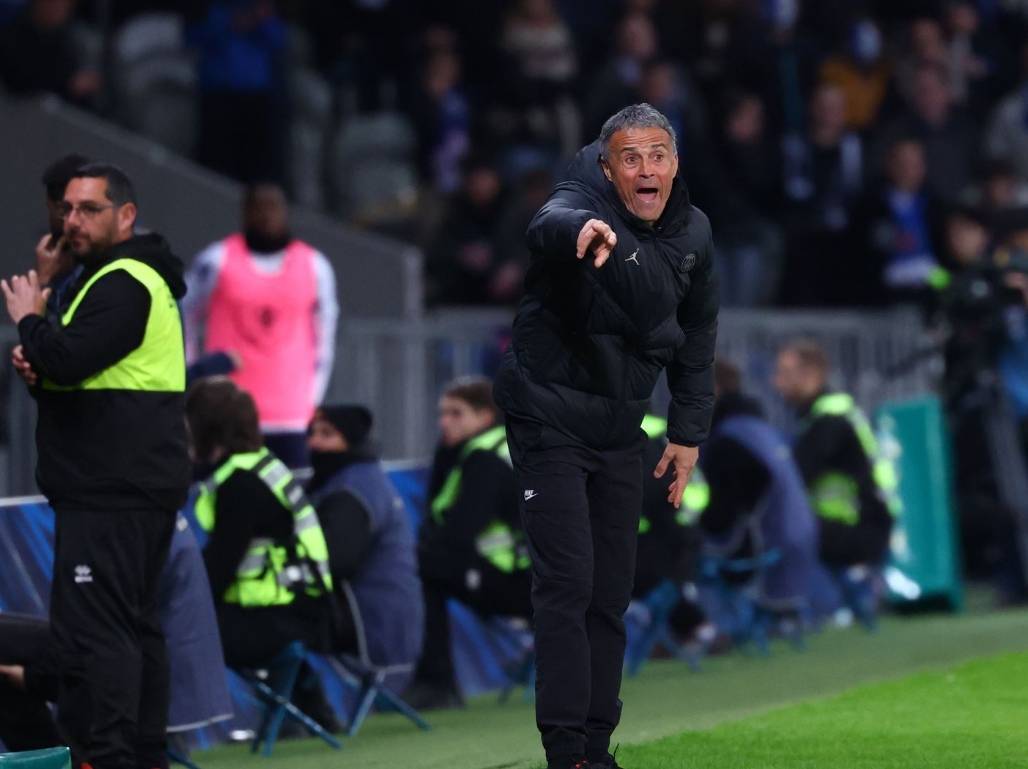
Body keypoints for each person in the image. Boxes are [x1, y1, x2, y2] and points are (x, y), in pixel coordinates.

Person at [494, 103, 719, 769]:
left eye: (657, 156)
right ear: (606, 166)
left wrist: (687, 433)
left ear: (675, 164)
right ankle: (566, 751)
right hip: (549, 419)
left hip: (622, 429)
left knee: (610, 593)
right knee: (567, 584)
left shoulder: (695, 233)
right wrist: (582, 228)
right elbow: (548, 220)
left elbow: (698, 335)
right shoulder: (578, 202)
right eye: (631, 157)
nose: (646, 169)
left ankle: (597, 747)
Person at [2, 162, 191, 769]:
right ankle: (144, 756)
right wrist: (41, 364)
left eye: (89, 209)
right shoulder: (115, 279)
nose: (72, 221)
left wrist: (31, 317)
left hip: (113, 485)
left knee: (102, 631)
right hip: (127, 482)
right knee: (134, 627)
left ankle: (109, 757)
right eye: (68, 209)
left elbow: (70, 358)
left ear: (126, 215)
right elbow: (74, 370)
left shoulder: (123, 280)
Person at [182, 183, 339, 468]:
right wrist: (194, 376)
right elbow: (185, 315)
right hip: (227, 414)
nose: (266, 216)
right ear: (245, 213)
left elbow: (325, 337)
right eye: (258, 208)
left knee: (291, 491)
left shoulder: (316, 266)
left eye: (273, 207)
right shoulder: (216, 260)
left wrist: (312, 396)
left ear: (286, 212)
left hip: (290, 417)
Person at [407, 377, 531, 710]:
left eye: (456, 413)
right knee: (428, 564)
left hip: (522, 582)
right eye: (442, 413)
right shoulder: (504, 445)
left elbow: (460, 531)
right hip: (542, 577)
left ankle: (436, 682)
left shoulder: (485, 459)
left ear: (485, 416)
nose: (444, 422)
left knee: (423, 569)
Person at [305, 404, 424, 674]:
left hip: (367, 622)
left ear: (350, 440)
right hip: (386, 619)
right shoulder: (363, 477)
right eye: (312, 433)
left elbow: (332, 563)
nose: (314, 442)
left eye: (327, 434)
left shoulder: (350, 491)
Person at [773, 340, 895, 570]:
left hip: (854, 530)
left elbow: (794, 478)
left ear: (811, 375)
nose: (777, 382)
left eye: (785, 373)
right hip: (860, 528)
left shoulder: (829, 421)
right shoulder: (832, 413)